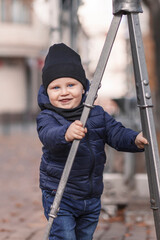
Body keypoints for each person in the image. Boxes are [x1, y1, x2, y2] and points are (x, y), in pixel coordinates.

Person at [36, 43, 148, 240]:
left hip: (91, 195)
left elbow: (116, 133)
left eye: (71, 85)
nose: (64, 92)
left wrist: (134, 139)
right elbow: (49, 135)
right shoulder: (48, 117)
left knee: (85, 236)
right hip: (60, 194)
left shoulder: (97, 114)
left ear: (83, 87)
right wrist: (66, 133)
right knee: (64, 236)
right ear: (47, 91)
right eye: (55, 87)